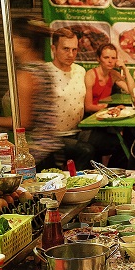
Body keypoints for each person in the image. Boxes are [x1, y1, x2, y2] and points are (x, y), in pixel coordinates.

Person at [0, 17, 62, 170]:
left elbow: (23, 122)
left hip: (33, 156)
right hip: (48, 152)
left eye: (12, 39)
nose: (8, 44)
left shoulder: (25, 75)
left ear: (25, 43)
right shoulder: (43, 68)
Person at [46, 28, 95, 169]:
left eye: (74, 50)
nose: (71, 54)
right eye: (66, 49)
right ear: (53, 49)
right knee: (86, 150)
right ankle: (75, 184)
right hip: (54, 136)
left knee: (114, 143)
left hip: (79, 131)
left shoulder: (80, 70)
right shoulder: (45, 72)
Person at [84, 43, 135, 113]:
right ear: (98, 59)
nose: (110, 61)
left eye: (113, 58)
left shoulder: (113, 74)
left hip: (105, 113)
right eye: (106, 57)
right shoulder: (91, 75)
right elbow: (88, 107)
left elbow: (133, 92)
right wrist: (109, 109)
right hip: (91, 116)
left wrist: (124, 68)